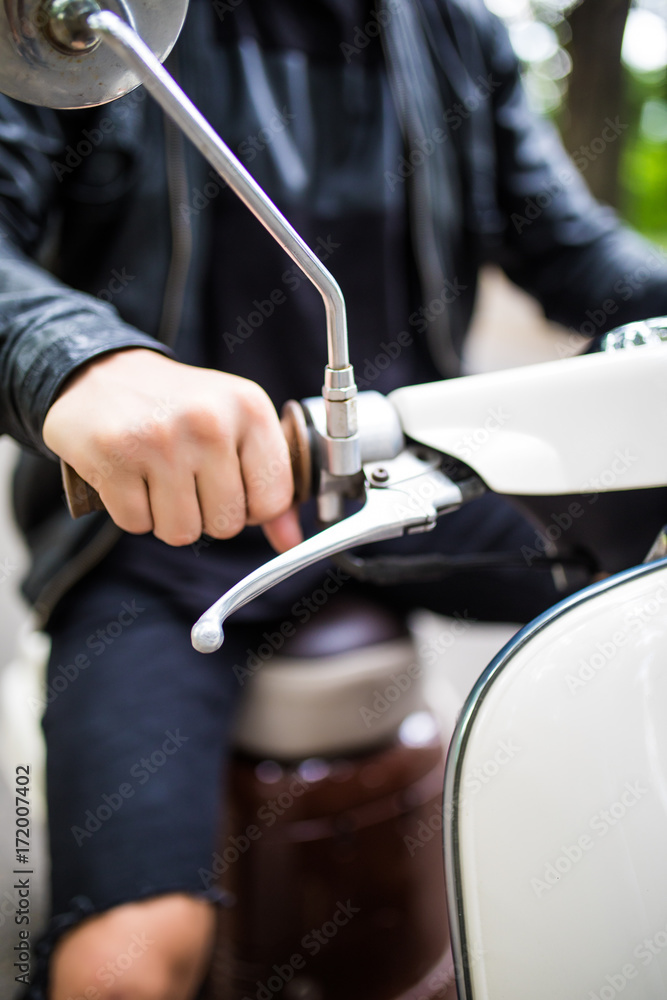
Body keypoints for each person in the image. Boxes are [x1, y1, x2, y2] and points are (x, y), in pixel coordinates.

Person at [1, 0, 667, 996]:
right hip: (159, 539)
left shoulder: (460, 34)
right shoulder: (91, 18)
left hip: (416, 485)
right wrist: (79, 358)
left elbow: (571, 251)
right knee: (124, 966)